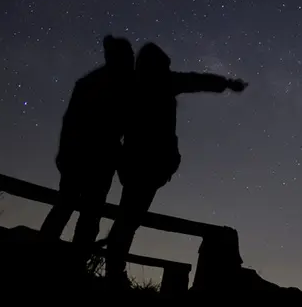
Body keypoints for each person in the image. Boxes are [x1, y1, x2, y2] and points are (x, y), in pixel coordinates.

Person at [105, 42, 247, 282]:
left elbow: (116, 126)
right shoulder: (161, 82)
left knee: (129, 216)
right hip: (148, 165)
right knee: (129, 218)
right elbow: (196, 81)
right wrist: (227, 84)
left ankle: (113, 268)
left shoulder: (136, 85)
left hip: (141, 163)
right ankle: (114, 272)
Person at [40, 35, 135, 260]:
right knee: (85, 214)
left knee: (70, 209)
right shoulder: (123, 87)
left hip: (84, 155)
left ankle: (44, 256)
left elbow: (70, 121)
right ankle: (69, 263)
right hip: (95, 158)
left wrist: (65, 153)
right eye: (129, 56)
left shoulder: (92, 83)